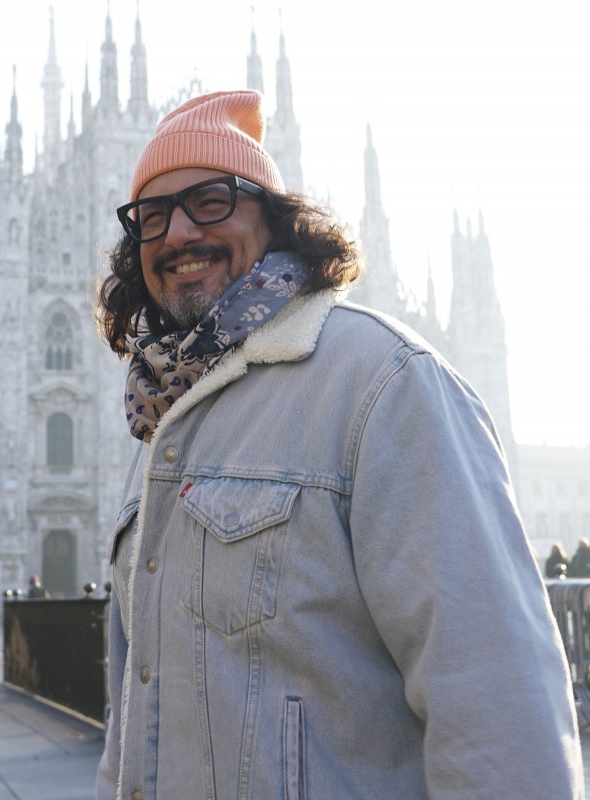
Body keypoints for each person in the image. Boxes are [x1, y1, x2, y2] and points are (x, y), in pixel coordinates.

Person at [94, 89, 580, 798]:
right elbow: (137, 709)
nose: (176, 235)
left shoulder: (381, 379)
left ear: (276, 218)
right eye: (153, 216)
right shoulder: (160, 420)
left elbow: (498, 707)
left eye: (210, 201)